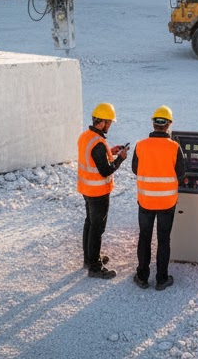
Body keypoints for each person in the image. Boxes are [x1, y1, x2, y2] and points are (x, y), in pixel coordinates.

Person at [132, 105, 186, 290]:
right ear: (169, 124)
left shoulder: (140, 145)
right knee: (164, 240)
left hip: (146, 201)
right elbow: (181, 173)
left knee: (144, 237)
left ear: (154, 123)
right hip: (167, 202)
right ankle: (162, 279)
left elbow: (134, 169)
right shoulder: (174, 147)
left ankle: (142, 277)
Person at [77, 102, 128, 279]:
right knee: (97, 228)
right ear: (103, 122)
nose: (110, 126)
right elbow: (105, 170)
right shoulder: (97, 142)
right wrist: (120, 159)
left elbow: (93, 158)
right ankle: (95, 267)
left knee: (90, 223)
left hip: (87, 188)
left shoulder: (86, 136)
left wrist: (111, 152)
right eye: (109, 123)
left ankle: (89, 258)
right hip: (98, 192)